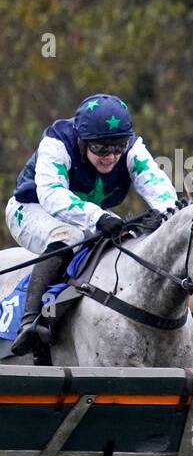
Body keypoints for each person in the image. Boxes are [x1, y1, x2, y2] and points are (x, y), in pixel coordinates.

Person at [7, 93, 178, 355]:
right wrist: (99, 218)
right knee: (69, 236)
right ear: (82, 140)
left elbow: (158, 187)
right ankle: (29, 322)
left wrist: (167, 215)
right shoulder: (57, 142)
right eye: (100, 148)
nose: (110, 156)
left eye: (118, 147)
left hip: (83, 215)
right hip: (31, 209)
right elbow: (52, 194)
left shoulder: (132, 148)